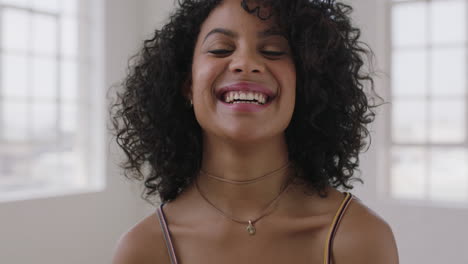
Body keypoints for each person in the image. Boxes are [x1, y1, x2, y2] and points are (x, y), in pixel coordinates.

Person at [111, 0, 399, 263]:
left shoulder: (358, 238)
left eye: (273, 51)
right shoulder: (143, 249)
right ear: (187, 84)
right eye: (221, 49)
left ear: (307, 83)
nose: (245, 63)